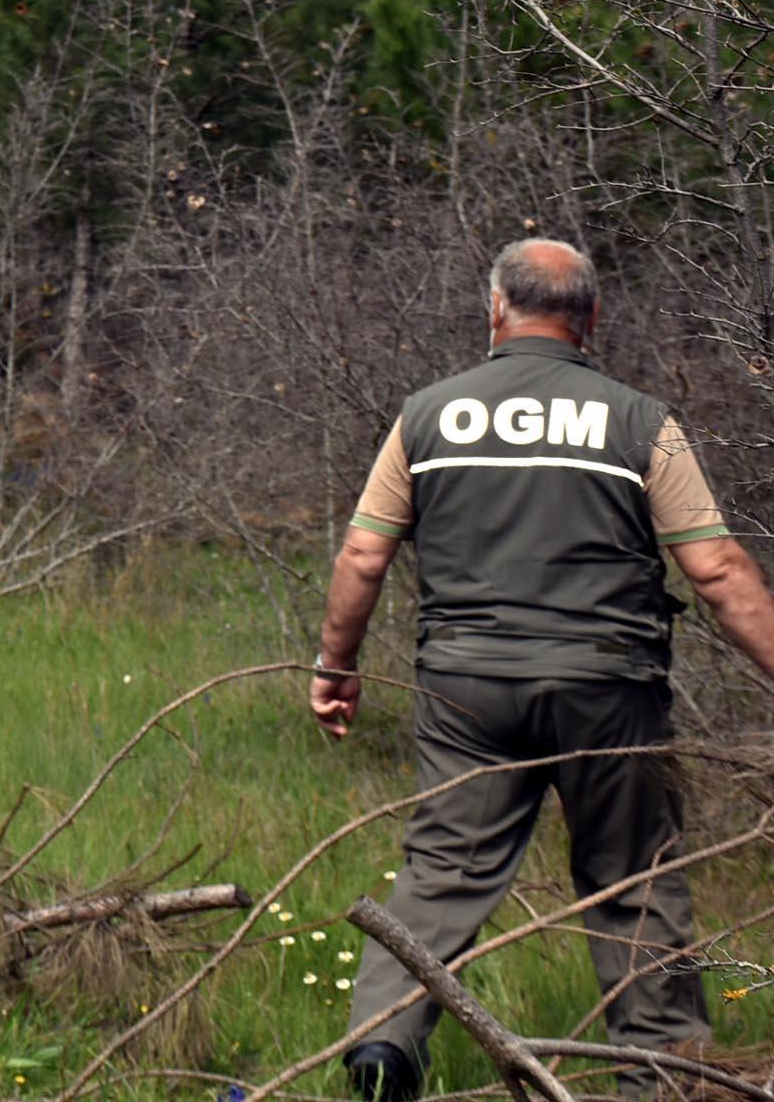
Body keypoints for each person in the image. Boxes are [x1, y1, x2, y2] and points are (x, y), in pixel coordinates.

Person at [313, 238, 774, 1101]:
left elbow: (363, 555)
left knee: (443, 870)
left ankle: (381, 1048)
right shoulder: (639, 421)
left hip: (464, 686)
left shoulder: (427, 416)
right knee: (632, 874)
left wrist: (334, 664)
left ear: (495, 309)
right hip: (607, 688)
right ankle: (658, 1073)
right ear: (589, 318)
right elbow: (716, 571)